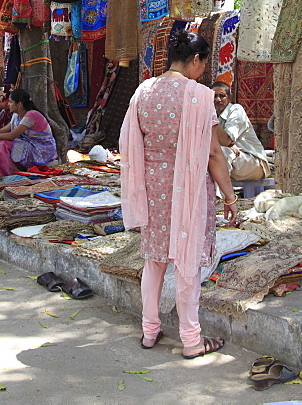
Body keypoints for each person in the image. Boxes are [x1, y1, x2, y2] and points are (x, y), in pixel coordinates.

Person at [120, 31, 238, 359]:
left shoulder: (144, 91)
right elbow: (214, 155)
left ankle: (149, 331)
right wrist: (230, 198)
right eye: (204, 63)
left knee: (154, 261)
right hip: (188, 191)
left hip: (153, 188)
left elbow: (131, 142)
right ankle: (191, 340)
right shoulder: (199, 95)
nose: (204, 71)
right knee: (187, 265)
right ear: (196, 60)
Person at [0, 89, 57, 176]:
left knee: (4, 144)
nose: (8, 104)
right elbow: (4, 130)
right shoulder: (16, 115)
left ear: (19, 104)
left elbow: (12, 135)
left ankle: (4, 174)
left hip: (41, 149)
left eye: (10, 102)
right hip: (28, 145)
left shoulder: (32, 115)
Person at [210, 81, 271, 182]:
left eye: (222, 96)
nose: (218, 99)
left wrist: (228, 145)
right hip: (236, 161)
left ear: (229, 98)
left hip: (254, 164)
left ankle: (221, 196)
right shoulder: (216, 116)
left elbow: (226, 140)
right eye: (214, 96)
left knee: (220, 153)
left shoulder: (236, 110)